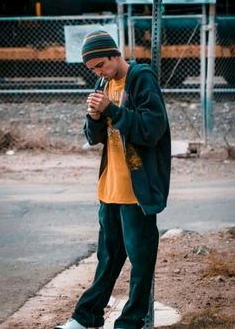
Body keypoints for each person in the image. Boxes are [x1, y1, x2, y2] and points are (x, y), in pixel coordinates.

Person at [55, 30, 171, 329]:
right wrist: (93, 117)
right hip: (109, 188)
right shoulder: (103, 83)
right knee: (107, 259)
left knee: (140, 265)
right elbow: (94, 138)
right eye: (92, 69)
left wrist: (112, 109)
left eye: (100, 66)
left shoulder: (141, 78)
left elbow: (152, 129)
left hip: (137, 191)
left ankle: (130, 323)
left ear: (114, 55)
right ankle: (85, 318)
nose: (97, 73)